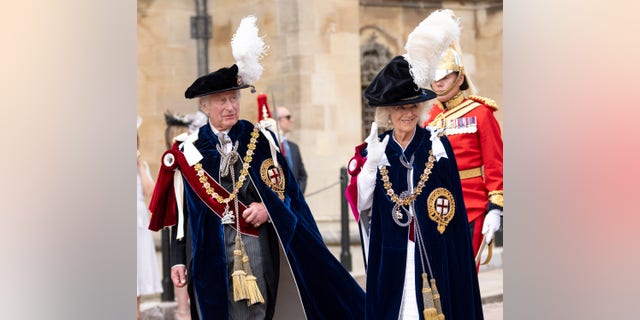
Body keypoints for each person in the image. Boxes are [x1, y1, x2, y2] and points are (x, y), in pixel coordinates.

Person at [148, 16, 364, 320]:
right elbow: (181, 215)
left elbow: (288, 193)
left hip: (256, 249)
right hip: (208, 255)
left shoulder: (259, 140)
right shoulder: (188, 150)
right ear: (205, 107)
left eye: (234, 98)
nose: (230, 107)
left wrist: (267, 209)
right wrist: (176, 259)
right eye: (221, 100)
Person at [345, 10, 483, 319]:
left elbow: (454, 213)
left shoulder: (437, 146)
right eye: (399, 108)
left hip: (435, 251)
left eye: (412, 107)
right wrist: (370, 167)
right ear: (387, 113)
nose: (407, 114)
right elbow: (361, 204)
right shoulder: (374, 151)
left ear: (421, 108)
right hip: (392, 256)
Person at [422, 12, 503, 259]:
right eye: (435, 78)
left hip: (473, 206)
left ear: (459, 78)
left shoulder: (480, 113)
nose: (439, 83)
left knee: (466, 278)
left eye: (445, 76)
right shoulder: (428, 117)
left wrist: (496, 208)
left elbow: (495, 163)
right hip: (436, 208)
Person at [163, 111, 193, 320]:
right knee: (180, 264)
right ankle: (183, 310)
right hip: (178, 216)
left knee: (181, 263)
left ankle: (184, 310)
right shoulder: (172, 158)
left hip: (182, 216)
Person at [137, 116, 163, 320]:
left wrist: (138, 164)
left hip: (138, 222)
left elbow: (150, 191)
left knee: (139, 270)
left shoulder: (141, 165)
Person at [276, 106, 308, 193]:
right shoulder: (271, 146)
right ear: (278, 120)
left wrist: (297, 195)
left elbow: (303, 176)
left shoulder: (294, 147)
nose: (292, 120)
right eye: (288, 117)